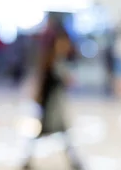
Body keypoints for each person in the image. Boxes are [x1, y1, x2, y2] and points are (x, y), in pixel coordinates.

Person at [21, 14, 82, 170]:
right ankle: (28, 161)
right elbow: (44, 81)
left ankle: (73, 162)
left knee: (59, 133)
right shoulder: (51, 61)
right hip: (50, 104)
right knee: (52, 132)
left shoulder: (58, 60)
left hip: (55, 103)